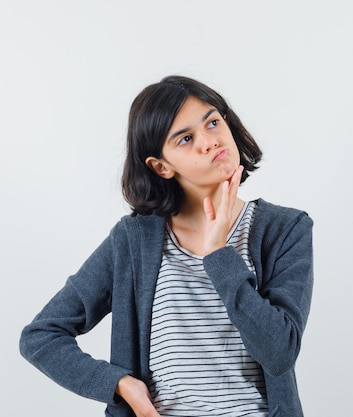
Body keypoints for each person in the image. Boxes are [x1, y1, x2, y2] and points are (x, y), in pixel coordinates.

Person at [19, 75, 314, 417]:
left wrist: (220, 255)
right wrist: (119, 384)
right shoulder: (133, 241)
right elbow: (41, 336)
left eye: (213, 122)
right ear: (161, 166)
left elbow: (279, 353)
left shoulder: (284, 229)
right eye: (186, 138)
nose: (208, 141)